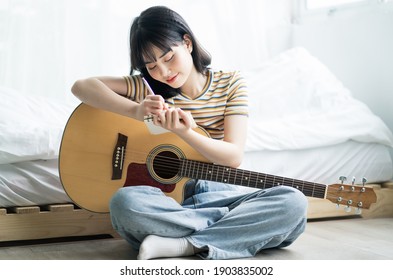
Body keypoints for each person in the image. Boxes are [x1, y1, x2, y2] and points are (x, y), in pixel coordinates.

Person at [71, 6, 308, 260]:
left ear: (187, 42)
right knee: (123, 203)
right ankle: (229, 233)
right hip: (168, 203)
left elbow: (232, 156)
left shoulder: (230, 83)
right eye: (151, 65)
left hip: (220, 193)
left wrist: (185, 132)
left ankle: (185, 243)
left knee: (293, 202)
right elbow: (81, 87)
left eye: (168, 57)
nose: (163, 72)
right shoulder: (147, 88)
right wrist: (136, 110)